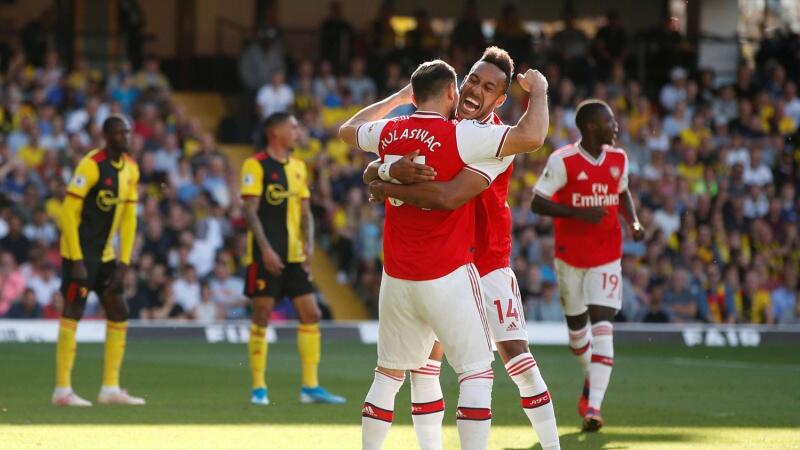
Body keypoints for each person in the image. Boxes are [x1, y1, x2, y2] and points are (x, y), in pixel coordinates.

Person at [340, 59, 549, 450]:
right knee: (470, 374)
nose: (475, 90)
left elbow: (348, 132)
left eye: (488, 87)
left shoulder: (397, 131)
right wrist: (538, 90)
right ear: (454, 90)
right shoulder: (461, 134)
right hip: (449, 270)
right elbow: (531, 137)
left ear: (500, 100)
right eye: (472, 81)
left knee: (392, 376)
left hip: (418, 273)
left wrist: (385, 176)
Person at [530, 99, 645, 432]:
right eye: (610, 121)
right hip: (570, 257)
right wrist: (578, 213)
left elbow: (622, 193)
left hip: (607, 256)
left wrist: (633, 222)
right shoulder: (563, 160)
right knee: (578, 336)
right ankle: (590, 379)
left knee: (603, 328)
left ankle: (593, 408)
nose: (616, 126)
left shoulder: (619, 158)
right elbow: (537, 202)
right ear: (592, 127)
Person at [240, 112, 345, 406]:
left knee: (311, 314)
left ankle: (310, 386)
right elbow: (250, 212)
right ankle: (258, 387)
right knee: (261, 316)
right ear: (275, 132)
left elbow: (305, 213)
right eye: (293, 127)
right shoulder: (255, 165)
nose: (298, 132)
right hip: (265, 256)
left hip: (295, 255)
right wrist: (265, 250)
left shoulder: (298, 167)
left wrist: (309, 246)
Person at [53, 115, 143, 407]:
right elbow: (68, 212)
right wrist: (76, 259)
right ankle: (62, 391)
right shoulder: (91, 165)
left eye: (127, 133)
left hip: (105, 255)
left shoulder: (131, 169)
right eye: (119, 133)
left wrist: (124, 261)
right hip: (79, 254)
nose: (126, 138)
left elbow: (129, 218)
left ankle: (110, 388)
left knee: (119, 310)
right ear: (107, 137)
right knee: (73, 311)